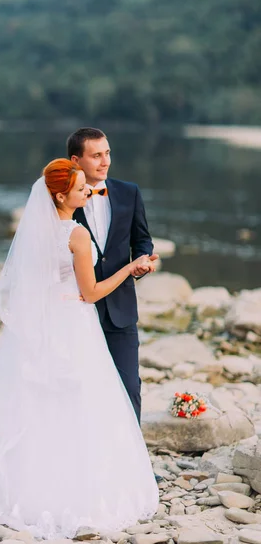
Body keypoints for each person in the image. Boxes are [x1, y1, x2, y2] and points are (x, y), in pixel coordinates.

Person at [0, 159, 159, 539]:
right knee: (81, 402)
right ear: (60, 194)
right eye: (81, 186)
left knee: (33, 400)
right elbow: (91, 293)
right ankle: (77, 487)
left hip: (43, 323)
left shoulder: (38, 230)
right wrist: (129, 268)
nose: (87, 191)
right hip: (73, 324)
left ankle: (19, 484)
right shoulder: (76, 235)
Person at [69, 127, 158, 424]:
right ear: (76, 161)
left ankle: (134, 470)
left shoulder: (129, 192)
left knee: (129, 387)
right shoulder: (62, 201)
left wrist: (142, 261)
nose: (105, 161)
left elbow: (141, 239)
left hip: (121, 309)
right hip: (78, 311)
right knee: (80, 389)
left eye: (107, 153)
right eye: (96, 155)